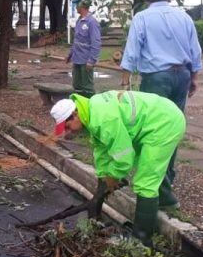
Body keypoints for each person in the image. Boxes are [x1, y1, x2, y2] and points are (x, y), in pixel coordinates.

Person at [50, 91, 186, 246]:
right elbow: (102, 150)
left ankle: (141, 240)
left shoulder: (104, 119)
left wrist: (113, 176)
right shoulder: (91, 111)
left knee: (146, 181)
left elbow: (124, 158)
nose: (68, 132)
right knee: (148, 169)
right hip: (150, 121)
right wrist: (102, 181)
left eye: (67, 127)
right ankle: (167, 201)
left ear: (75, 114)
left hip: (164, 123)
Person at [119, 0, 202, 209]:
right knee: (172, 129)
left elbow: (132, 51)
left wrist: (125, 82)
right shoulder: (184, 17)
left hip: (156, 79)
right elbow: (195, 50)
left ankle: (159, 191)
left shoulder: (142, 18)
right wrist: (194, 78)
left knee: (152, 131)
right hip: (181, 76)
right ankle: (166, 184)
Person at [65, 0, 101, 97]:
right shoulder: (79, 21)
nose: (76, 7)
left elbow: (96, 42)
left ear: (82, 6)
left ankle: (90, 106)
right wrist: (70, 55)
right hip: (77, 59)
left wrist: (91, 60)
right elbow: (76, 40)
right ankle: (79, 107)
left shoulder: (91, 22)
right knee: (77, 85)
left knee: (87, 87)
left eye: (77, 5)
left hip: (86, 60)